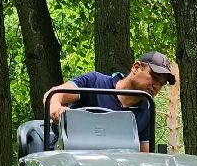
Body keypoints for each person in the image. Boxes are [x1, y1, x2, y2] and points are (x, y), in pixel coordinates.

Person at [46, 51, 176, 151]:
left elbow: (144, 157)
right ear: (136, 67)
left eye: (161, 84)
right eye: (153, 77)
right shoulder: (95, 82)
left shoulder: (146, 110)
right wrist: (56, 108)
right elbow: (54, 94)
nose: (156, 86)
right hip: (71, 162)